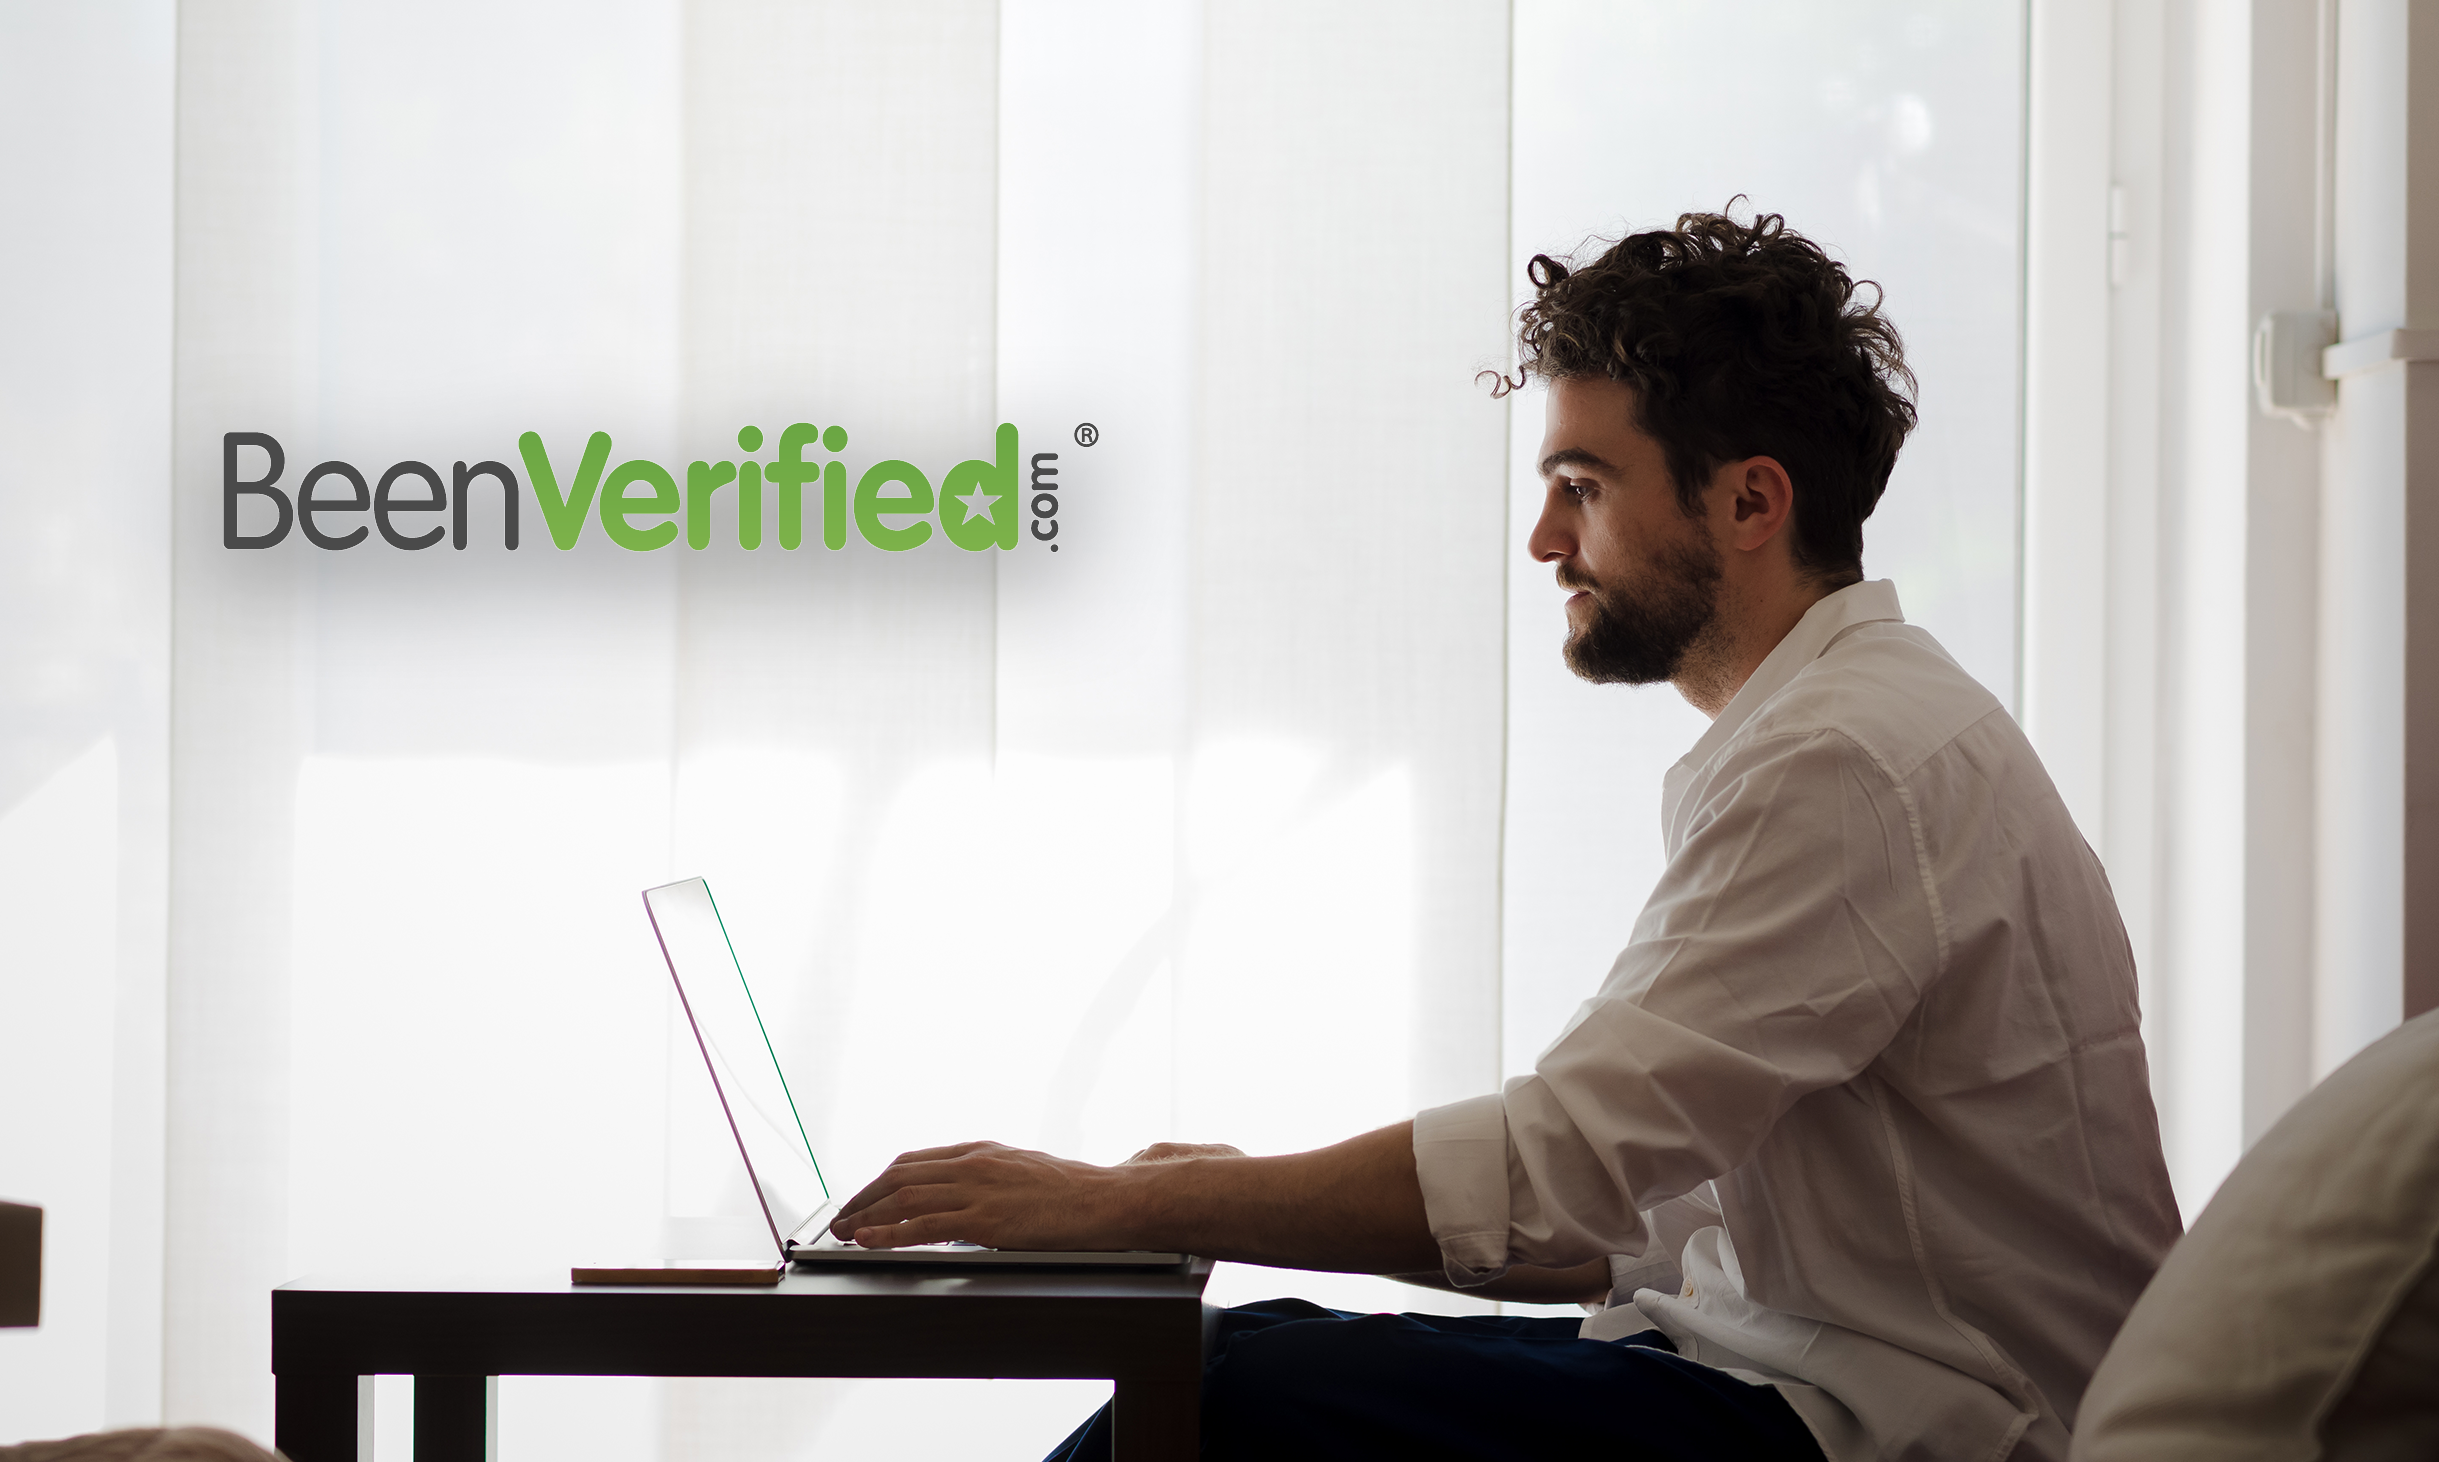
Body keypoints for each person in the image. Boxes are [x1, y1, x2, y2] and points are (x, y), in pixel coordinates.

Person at [832, 210, 2182, 1461]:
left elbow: (1557, 1168)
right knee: (1244, 1351)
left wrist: (1118, 1203)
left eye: (1581, 484)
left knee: (1236, 1393)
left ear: (1749, 503)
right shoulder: (1845, 728)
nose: (1543, 538)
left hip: (1911, 1425)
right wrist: (1236, 1190)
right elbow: (1628, 1220)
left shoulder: (1842, 761)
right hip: (1800, 1367)